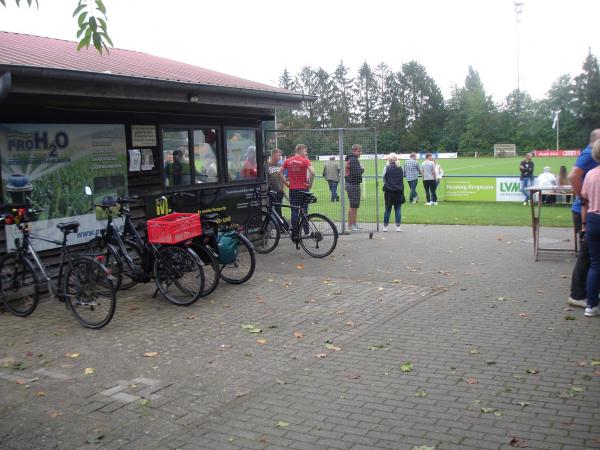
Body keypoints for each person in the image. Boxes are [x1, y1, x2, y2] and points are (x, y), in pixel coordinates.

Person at [567, 129, 600, 308]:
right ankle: (578, 295)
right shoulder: (589, 154)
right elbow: (573, 176)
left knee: (591, 257)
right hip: (587, 212)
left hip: (589, 212)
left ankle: (588, 292)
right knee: (587, 256)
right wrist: (583, 199)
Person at [580, 139, 600, 317]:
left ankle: (591, 305)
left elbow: (584, 202)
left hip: (594, 220)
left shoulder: (591, 174)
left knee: (595, 264)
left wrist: (584, 225)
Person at [279, 144, 315, 237]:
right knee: (304, 211)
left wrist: (287, 184)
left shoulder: (288, 161)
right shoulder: (305, 160)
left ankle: (295, 233)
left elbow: (279, 173)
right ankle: (306, 232)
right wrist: (309, 183)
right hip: (303, 189)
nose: (306, 153)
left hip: (293, 190)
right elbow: (313, 172)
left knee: (294, 211)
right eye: (305, 151)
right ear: (300, 150)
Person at [382, 153, 405, 232]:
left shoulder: (386, 168)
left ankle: (385, 227)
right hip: (398, 191)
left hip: (389, 191)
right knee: (398, 209)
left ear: (389, 160)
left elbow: (383, 179)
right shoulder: (400, 168)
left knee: (388, 209)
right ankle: (398, 227)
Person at [345, 144, 364, 231]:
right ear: (354, 151)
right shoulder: (353, 159)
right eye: (359, 151)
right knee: (353, 205)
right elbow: (357, 173)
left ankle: (354, 224)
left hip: (353, 184)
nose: (360, 153)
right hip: (352, 184)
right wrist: (362, 169)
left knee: (355, 205)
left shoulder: (352, 159)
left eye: (360, 151)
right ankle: (350, 225)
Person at [267, 148, 285, 217]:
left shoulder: (279, 165)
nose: (280, 157)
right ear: (273, 155)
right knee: (270, 210)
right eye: (279, 155)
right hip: (271, 192)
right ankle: (270, 225)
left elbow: (282, 178)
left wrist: (282, 189)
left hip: (279, 192)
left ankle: (279, 226)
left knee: (278, 209)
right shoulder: (266, 165)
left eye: (281, 155)